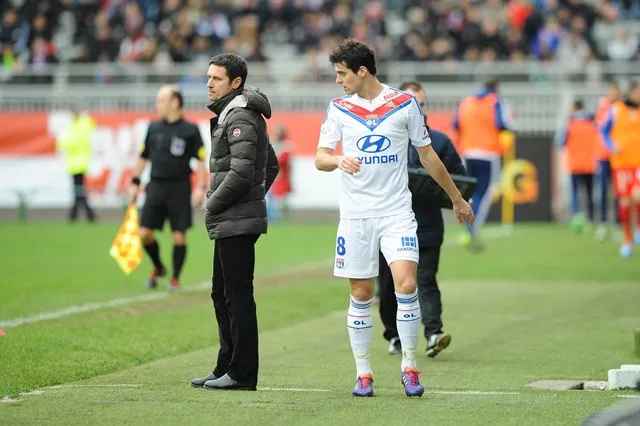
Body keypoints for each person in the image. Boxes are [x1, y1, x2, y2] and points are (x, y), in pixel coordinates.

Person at [315, 39, 474, 398]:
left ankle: (410, 367)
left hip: (397, 213)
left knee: (405, 285)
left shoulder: (404, 104)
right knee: (362, 291)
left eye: (342, 73)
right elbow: (320, 157)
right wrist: (339, 160)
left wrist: (457, 198)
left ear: (362, 70)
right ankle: (363, 373)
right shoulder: (338, 108)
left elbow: (429, 156)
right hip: (356, 217)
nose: (338, 80)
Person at [190, 53, 280, 391]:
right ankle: (226, 366)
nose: (209, 83)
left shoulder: (240, 115)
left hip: (234, 219)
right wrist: (251, 200)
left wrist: (213, 204)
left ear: (236, 82)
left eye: (216, 78)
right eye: (208, 77)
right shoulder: (234, 113)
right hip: (234, 217)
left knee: (237, 295)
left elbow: (243, 173)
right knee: (222, 293)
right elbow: (270, 166)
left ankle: (242, 374)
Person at [378, 81, 466, 359]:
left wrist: (448, 194)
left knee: (425, 280)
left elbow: (461, 180)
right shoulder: (384, 138)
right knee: (389, 285)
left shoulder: (439, 142)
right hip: (388, 224)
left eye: (422, 103)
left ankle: (433, 334)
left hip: (427, 224)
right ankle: (394, 335)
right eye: (412, 102)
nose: (418, 108)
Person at [129, 85, 208, 291]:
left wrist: (201, 187)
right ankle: (158, 266)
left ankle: (175, 278)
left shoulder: (190, 130)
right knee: (144, 234)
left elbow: (200, 160)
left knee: (178, 235)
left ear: (175, 103)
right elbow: (143, 156)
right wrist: (135, 182)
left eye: (161, 100)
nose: (157, 105)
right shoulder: (153, 128)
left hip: (180, 187)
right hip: (155, 185)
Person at [453, 78, 515, 251]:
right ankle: (471, 231)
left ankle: (468, 227)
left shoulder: (467, 101)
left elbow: (456, 124)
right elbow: (504, 124)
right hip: (488, 153)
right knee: (484, 194)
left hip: (468, 152)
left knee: (471, 193)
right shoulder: (496, 102)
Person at [600, 81, 640, 258]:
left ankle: (638, 228)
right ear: (629, 93)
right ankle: (627, 238)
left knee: (638, 196)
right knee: (625, 201)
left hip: (638, 163)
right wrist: (611, 145)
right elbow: (603, 130)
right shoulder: (616, 109)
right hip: (621, 164)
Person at [555, 100, 598, 232]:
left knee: (575, 192)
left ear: (575, 108)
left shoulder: (570, 125)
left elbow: (560, 142)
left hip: (575, 164)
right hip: (590, 164)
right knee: (590, 192)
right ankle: (591, 218)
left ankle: (577, 217)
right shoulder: (592, 124)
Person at [56, 107, 97, 223]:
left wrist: (65, 144)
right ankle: (83, 214)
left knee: (78, 190)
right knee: (78, 190)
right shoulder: (74, 125)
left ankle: (80, 214)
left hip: (79, 163)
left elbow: (73, 142)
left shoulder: (82, 125)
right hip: (74, 163)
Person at [594, 82, 622, 241]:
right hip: (604, 156)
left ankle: (619, 224)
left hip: (618, 157)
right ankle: (603, 223)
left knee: (619, 191)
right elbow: (600, 127)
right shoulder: (604, 107)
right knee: (603, 190)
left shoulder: (622, 108)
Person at [266, 124, 293, 222]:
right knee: (270, 198)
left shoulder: (286, 146)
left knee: (278, 200)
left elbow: (281, 161)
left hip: (279, 177)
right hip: (269, 176)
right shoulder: (271, 144)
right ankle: (272, 217)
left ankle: (276, 218)